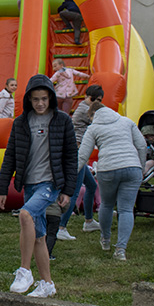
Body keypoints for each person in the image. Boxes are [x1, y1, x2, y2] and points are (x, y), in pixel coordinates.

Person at [0, 74, 77, 298]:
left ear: (51, 98)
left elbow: (71, 157)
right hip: (30, 185)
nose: (40, 103)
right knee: (39, 237)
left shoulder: (62, 120)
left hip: (50, 183)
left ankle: (25, 271)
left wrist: (68, 191)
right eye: (35, 99)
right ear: (28, 100)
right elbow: (10, 155)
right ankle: (47, 284)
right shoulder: (21, 123)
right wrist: (2, 188)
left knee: (25, 215)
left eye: (44, 99)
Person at [78, 101, 146, 261]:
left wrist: (71, 176)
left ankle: (106, 240)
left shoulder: (93, 128)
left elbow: (82, 155)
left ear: (93, 115)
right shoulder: (126, 121)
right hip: (132, 166)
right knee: (126, 209)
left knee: (107, 205)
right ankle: (121, 249)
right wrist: (141, 167)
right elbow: (142, 145)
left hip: (107, 168)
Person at [56, 84, 104, 240]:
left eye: (99, 100)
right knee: (74, 191)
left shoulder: (87, 109)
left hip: (81, 154)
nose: (97, 103)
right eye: (95, 99)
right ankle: (61, 227)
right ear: (87, 97)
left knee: (91, 185)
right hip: (76, 155)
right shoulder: (85, 110)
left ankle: (89, 221)